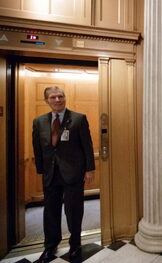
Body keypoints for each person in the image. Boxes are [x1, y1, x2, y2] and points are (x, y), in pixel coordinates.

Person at [32, 86, 95, 263]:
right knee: (50, 211)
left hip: (73, 173)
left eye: (60, 96)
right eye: (53, 97)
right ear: (47, 101)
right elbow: (38, 148)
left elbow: (87, 146)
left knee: (74, 211)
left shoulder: (78, 119)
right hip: (51, 174)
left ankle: (75, 244)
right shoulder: (39, 122)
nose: (58, 100)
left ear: (65, 98)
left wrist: (89, 169)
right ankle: (50, 246)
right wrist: (41, 171)